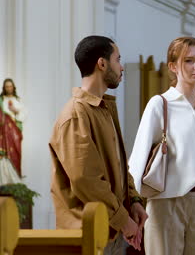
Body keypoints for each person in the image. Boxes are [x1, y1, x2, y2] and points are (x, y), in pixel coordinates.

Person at [129, 37, 195, 255]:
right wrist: (133, 206)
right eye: (188, 61)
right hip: (167, 203)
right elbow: (137, 160)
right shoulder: (160, 104)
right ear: (173, 66)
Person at [49, 35, 148, 255]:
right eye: (117, 59)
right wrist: (123, 219)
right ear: (102, 64)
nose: (121, 67)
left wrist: (134, 201)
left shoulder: (104, 110)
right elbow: (87, 180)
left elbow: (120, 169)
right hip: (87, 234)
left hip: (109, 231)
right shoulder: (75, 115)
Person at [0, 78, 25, 185]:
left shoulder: (17, 100)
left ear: (13, 87)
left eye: (10, 86)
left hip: (13, 132)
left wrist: (16, 110)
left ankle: (14, 180)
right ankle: (4, 181)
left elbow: (23, 114)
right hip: (2, 132)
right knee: (3, 156)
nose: (9, 88)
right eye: (7, 86)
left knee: (14, 153)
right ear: (4, 88)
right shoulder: (1, 100)